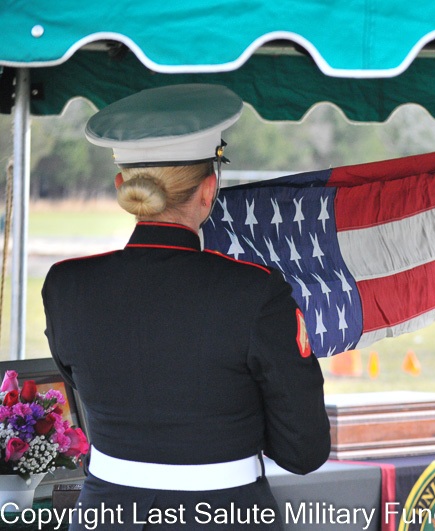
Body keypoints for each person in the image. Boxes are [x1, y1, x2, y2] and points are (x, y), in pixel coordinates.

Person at [41, 84, 331, 530]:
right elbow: (303, 451)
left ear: (123, 187)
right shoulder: (254, 291)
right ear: (208, 190)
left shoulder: (66, 285)